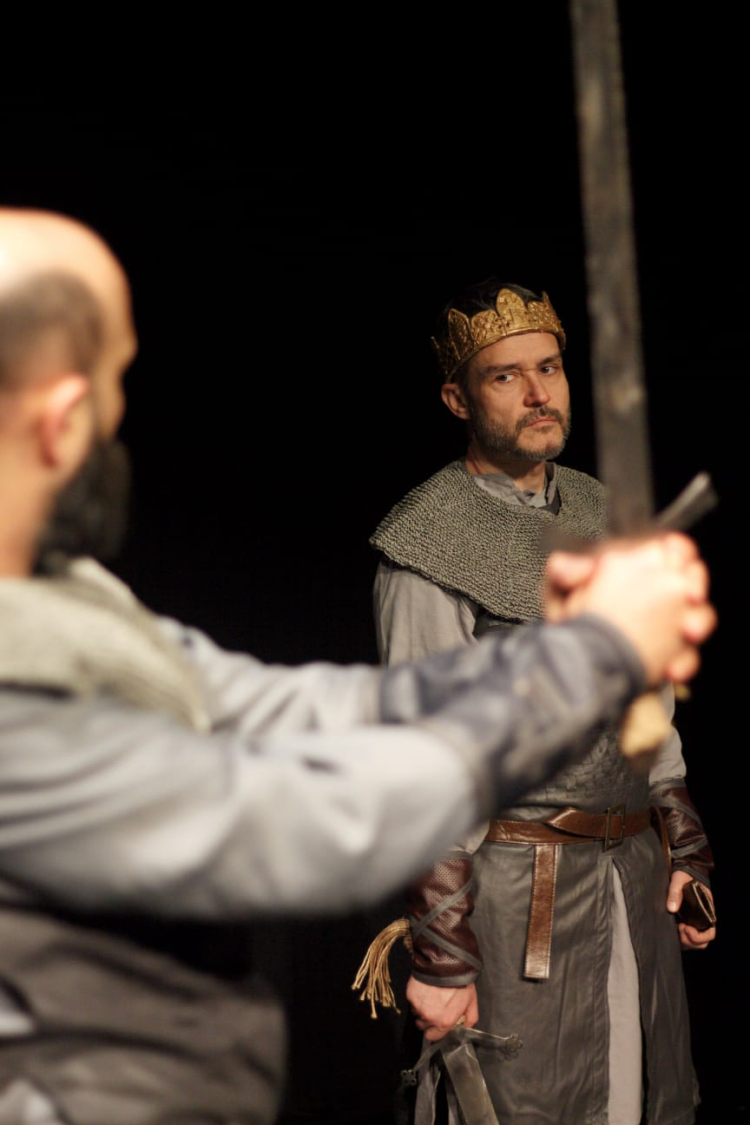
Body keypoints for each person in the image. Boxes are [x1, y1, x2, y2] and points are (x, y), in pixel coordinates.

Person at [0, 215, 714, 1125]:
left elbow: (304, 709)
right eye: (113, 381)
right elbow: (299, 814)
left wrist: (584, 653)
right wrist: (597, 655)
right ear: (61, 418)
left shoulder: (68, 603)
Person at [370, 279, 716, 1125]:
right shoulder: (429, 541)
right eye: (505, 376)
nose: (537, 393)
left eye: (550, 368)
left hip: (630, 882)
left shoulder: (608, 513)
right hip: (512, 901)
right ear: (458, 399)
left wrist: (683, 839)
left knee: (641, 1098)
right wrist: (444, 952)